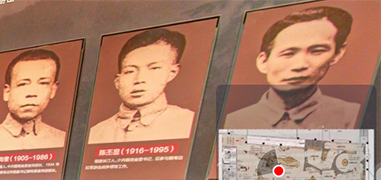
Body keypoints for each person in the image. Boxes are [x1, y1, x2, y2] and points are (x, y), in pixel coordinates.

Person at [224, 6, 359, 129]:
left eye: (317, 51)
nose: (300, 65)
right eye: (288, 54)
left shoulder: (353, 117)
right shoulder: (233, 122)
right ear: (263, 62)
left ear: (337, 53)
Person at [87, 28, 195, 144]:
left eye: (154, 68)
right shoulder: (97, 132)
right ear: (117, 81)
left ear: (172, 73)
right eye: (130, 71)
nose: (139, 80)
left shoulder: (188, 122)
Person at [0, 48, 67, 152]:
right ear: (7, 92)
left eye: (43, 83)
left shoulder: (61, 139)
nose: (31, 93)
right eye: (22, 84)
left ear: (53, 90)